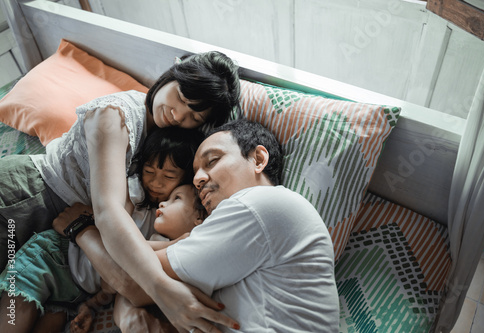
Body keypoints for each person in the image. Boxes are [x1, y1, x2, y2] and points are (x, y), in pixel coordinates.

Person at [0, 51, 241, 331]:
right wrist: (162, 290)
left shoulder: (169, 140)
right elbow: (109, 212)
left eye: (193, 116)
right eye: (182, 98)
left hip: (59, 233)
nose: (178, 114)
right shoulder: (114, 116)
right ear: (174, 73)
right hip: (26, 195)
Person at [126, 119, 340, 332]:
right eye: (195, 172)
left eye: (212, 161)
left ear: (258, 159)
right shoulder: (257, 216)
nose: (197, 179)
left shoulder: (257, 205)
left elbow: (131, 281)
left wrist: (92, 228)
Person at [0, 127, 204, 332]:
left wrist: (90, 306)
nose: (155, 182)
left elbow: (112, 284)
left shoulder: (162, 221)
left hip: (75, 291)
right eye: (149, 171)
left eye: (169, 176)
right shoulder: (135, 194)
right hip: (52, 256)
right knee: (16, 312)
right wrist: (173, 246)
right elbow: (121, 241)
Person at [69, 183, 208, 333]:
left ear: (199, 218)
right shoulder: (157, 240)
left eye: (176, 198)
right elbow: (113, 286)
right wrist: (90, 306)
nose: (162, 203)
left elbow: (126, 252)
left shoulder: (186, 243)